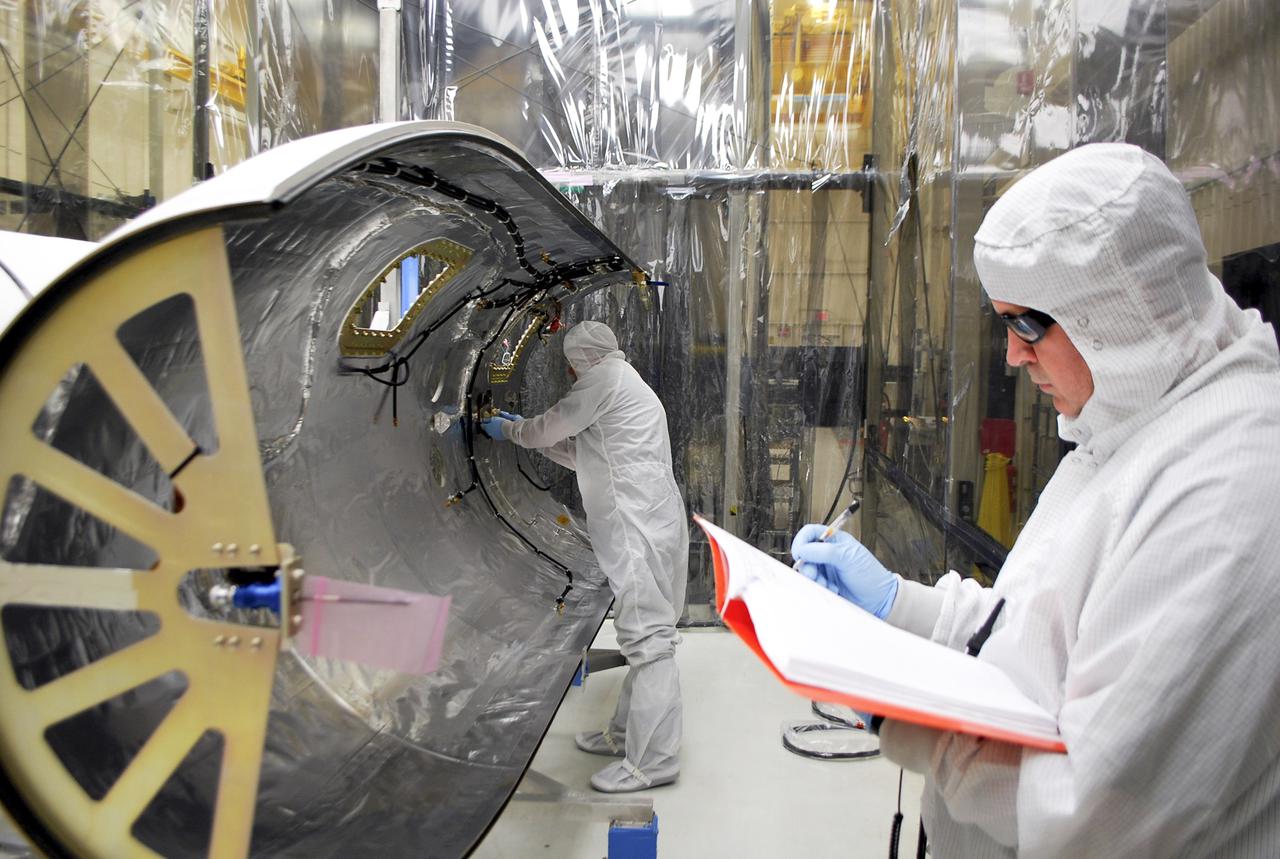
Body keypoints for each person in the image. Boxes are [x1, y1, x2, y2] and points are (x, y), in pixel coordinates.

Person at [791, 143, 1280, 856]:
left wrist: (898, 716)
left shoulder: (1227, 490)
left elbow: (1091, 813)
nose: (1014, 357)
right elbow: (1038, 629)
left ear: (1117, 311)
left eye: (1026, 324)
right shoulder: (1130, 421)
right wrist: (904, 607)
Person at [481, 321, 689, 793]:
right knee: (649, 634)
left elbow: (551, 426)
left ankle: (653, 761)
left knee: (649, 639)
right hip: (653, 518)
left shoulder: (602, 381)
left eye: (572, 366)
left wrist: (513, 430)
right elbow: (592, 455)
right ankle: (623, 735)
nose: (572, 374)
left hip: (635, 526)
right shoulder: (628, 383)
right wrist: (519, 433)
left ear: (581, 359)